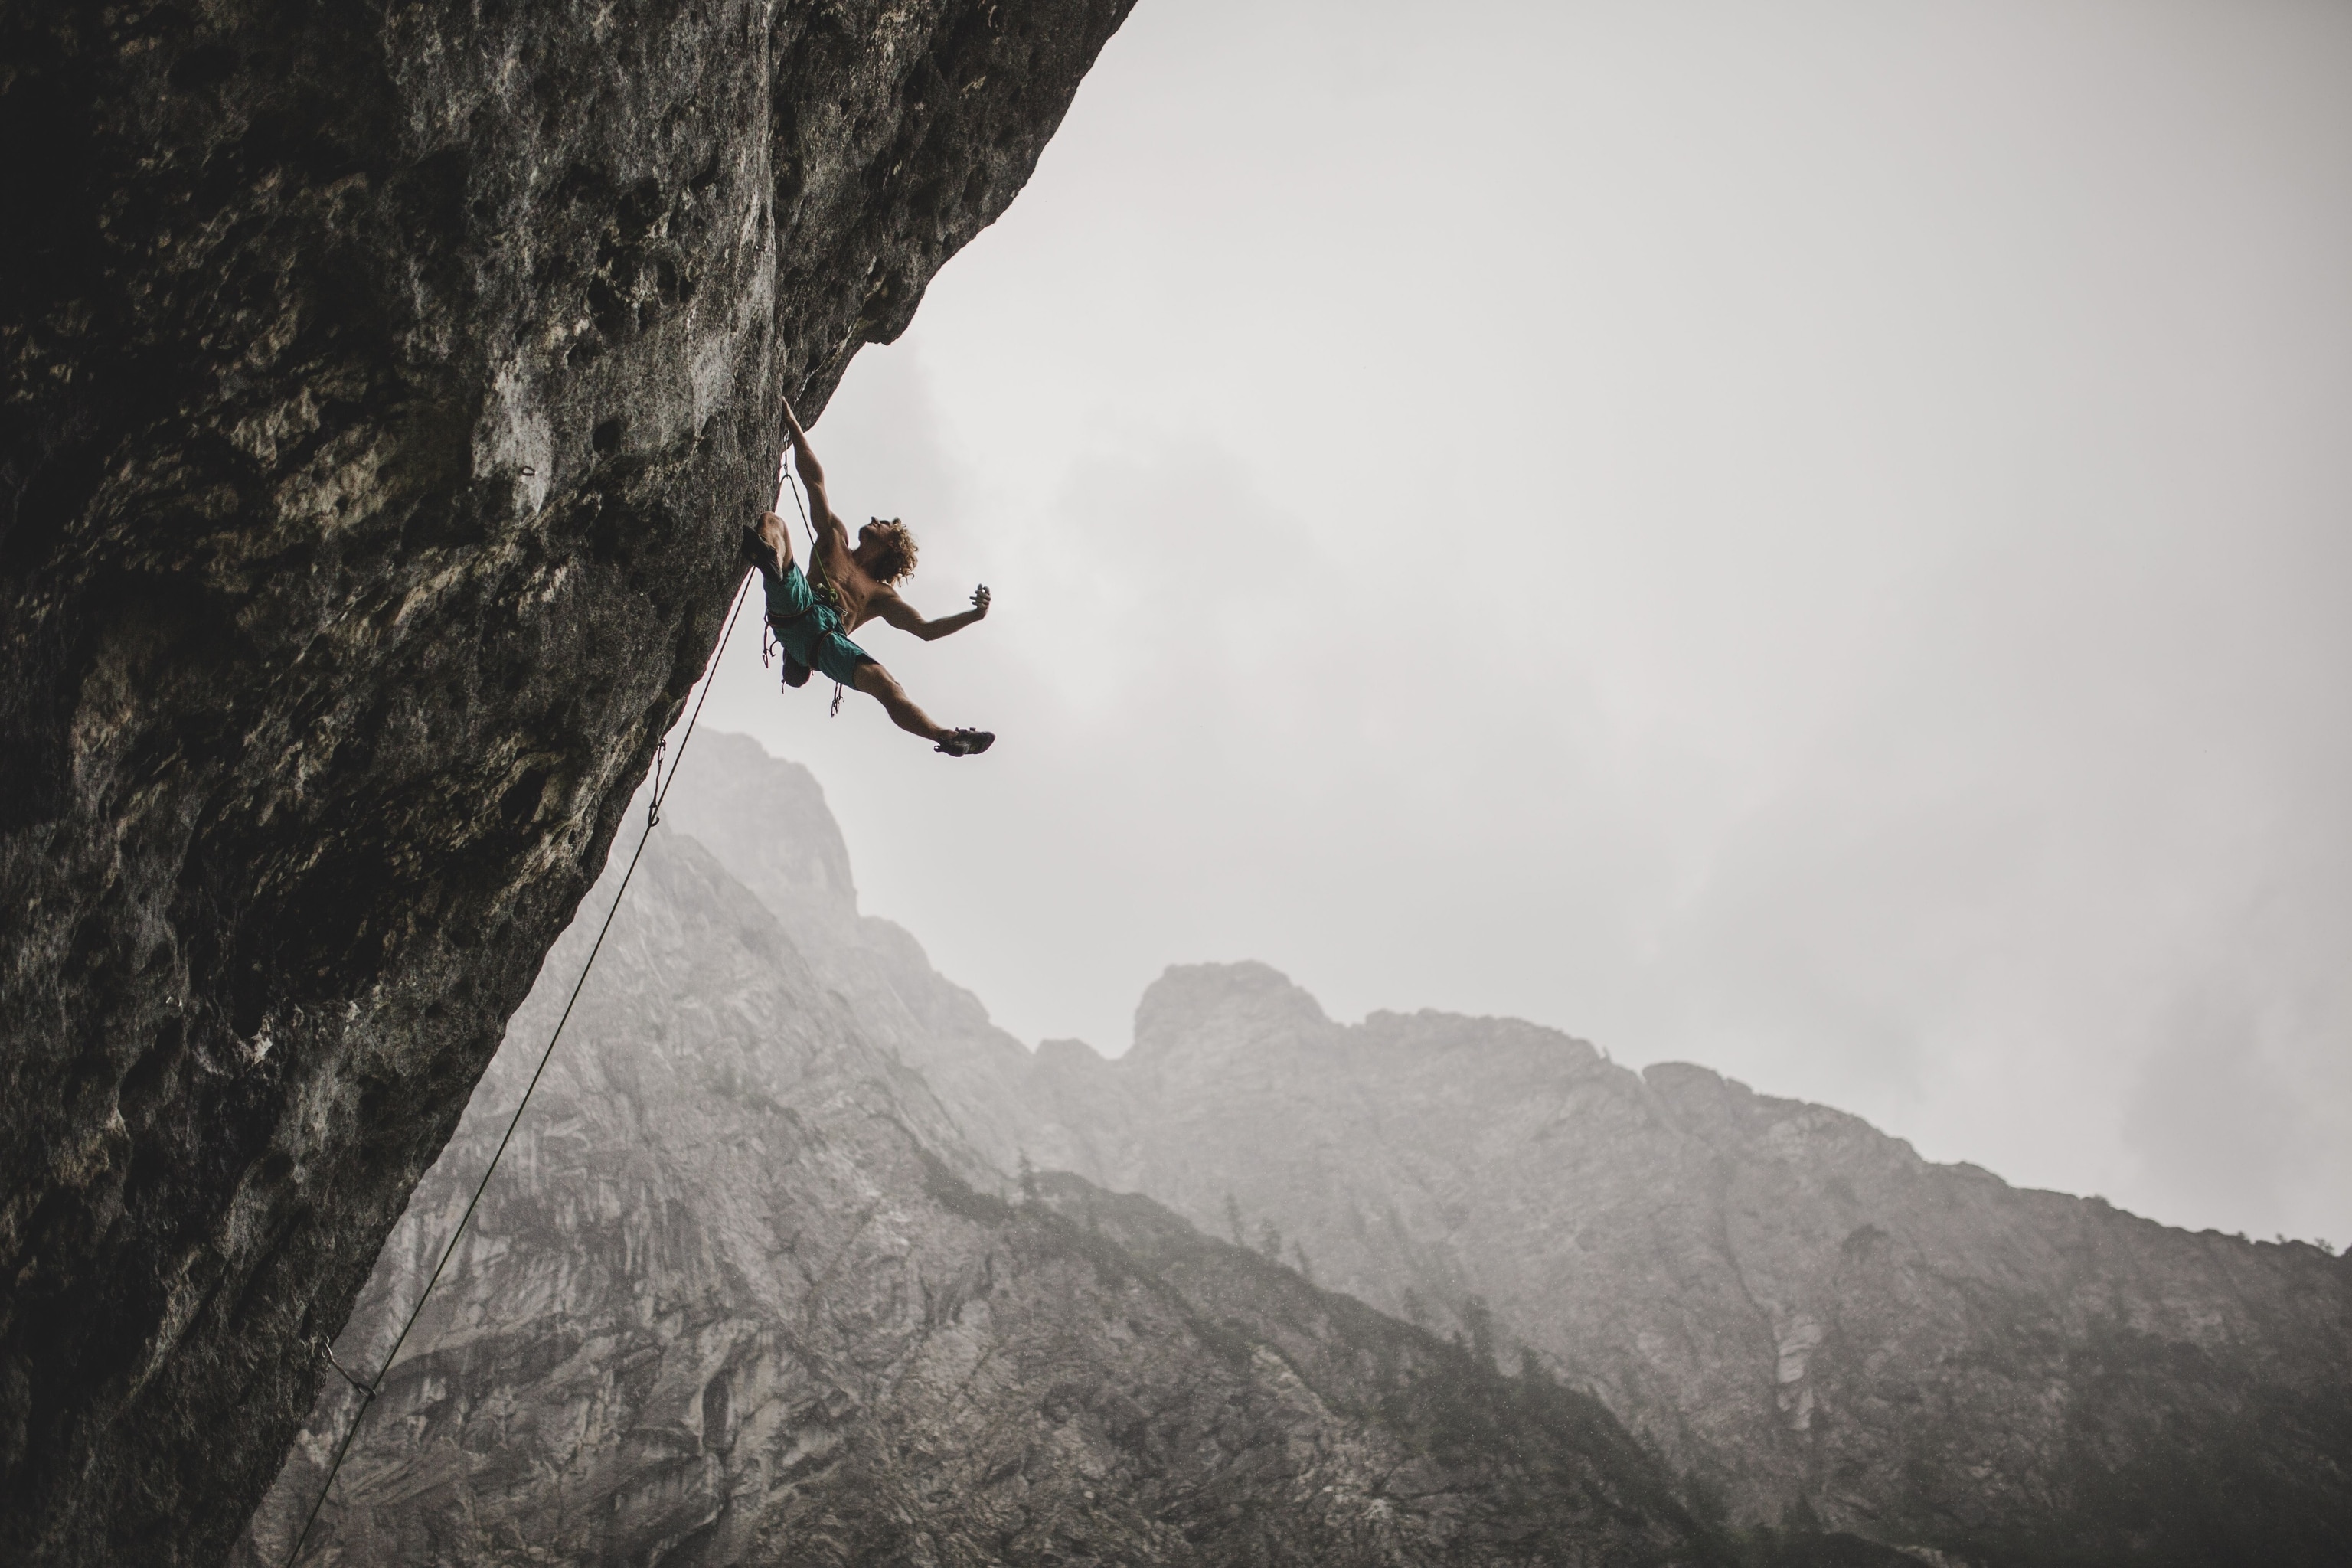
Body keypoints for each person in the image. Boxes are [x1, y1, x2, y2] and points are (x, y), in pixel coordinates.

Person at [743, 397, 995, 756]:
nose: (877, 519)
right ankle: (770, 560)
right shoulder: (835, 539)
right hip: (801, 604)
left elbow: (925, 630)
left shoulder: (880, 596)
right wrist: (793, 425)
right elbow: (814, 480)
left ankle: (948, 737)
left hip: (828, 643)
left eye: (887, 524)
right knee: (774, 523)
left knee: (885, 683)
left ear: (894, 547)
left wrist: (975, 615)